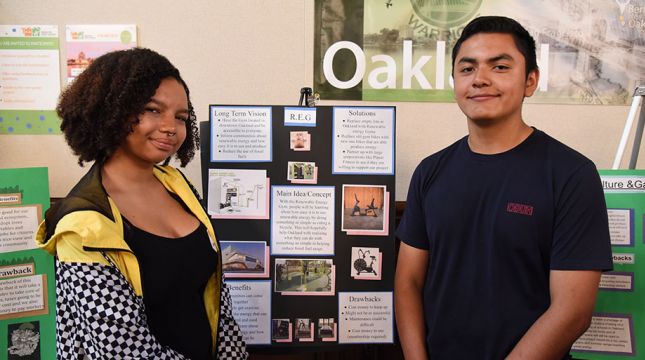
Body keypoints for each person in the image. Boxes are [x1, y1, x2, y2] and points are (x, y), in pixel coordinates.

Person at [395, 16, 612, 360]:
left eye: (499, 67)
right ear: (455, 81)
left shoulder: (572, 175)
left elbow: (572, 311)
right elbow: (408, 282)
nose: (480, 79)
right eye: (467, 69)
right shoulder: (430, 172)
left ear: (530, 81)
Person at [35, 48, 248, 359]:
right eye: (152, 109)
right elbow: (123, 348)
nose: (170, 127)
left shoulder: (177, 185)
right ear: (112, 110)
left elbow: (217, 296)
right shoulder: (81, 225)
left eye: (180, 117)